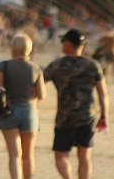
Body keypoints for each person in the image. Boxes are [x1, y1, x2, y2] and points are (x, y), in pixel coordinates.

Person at [43, 28, 109, 179]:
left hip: (65, 118)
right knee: (85, 156)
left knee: (61, 156)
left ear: (68, 44)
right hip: (88, 117)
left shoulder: (56, 65)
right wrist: (104, 116)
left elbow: (39, 82)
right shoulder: (93, 66)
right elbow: (103, 93)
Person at [0, 33, 46, 179]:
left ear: (14, 49)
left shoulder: (4, 66)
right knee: (28, 155)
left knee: (14, 155)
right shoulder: (35, 68)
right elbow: (41, 94)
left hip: (9, 112)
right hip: (30, 112)